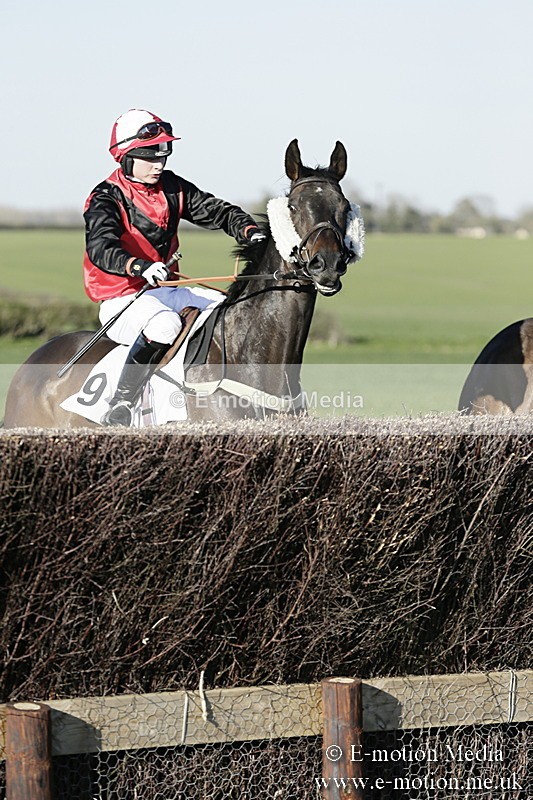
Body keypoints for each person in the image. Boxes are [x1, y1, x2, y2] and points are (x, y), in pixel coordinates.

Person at [83, 108, 265, 426]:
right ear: (126, 157)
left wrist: (248, 230)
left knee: (228, 309)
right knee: (165, 326)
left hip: (165, 290)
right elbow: (101, 248)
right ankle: (121, 405)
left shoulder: (172, 187)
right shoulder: (104, 198)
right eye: (150, 157)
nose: (159, 164)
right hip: (121, 300)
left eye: (163, 156)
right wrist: (137, 266)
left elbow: (216, 210)